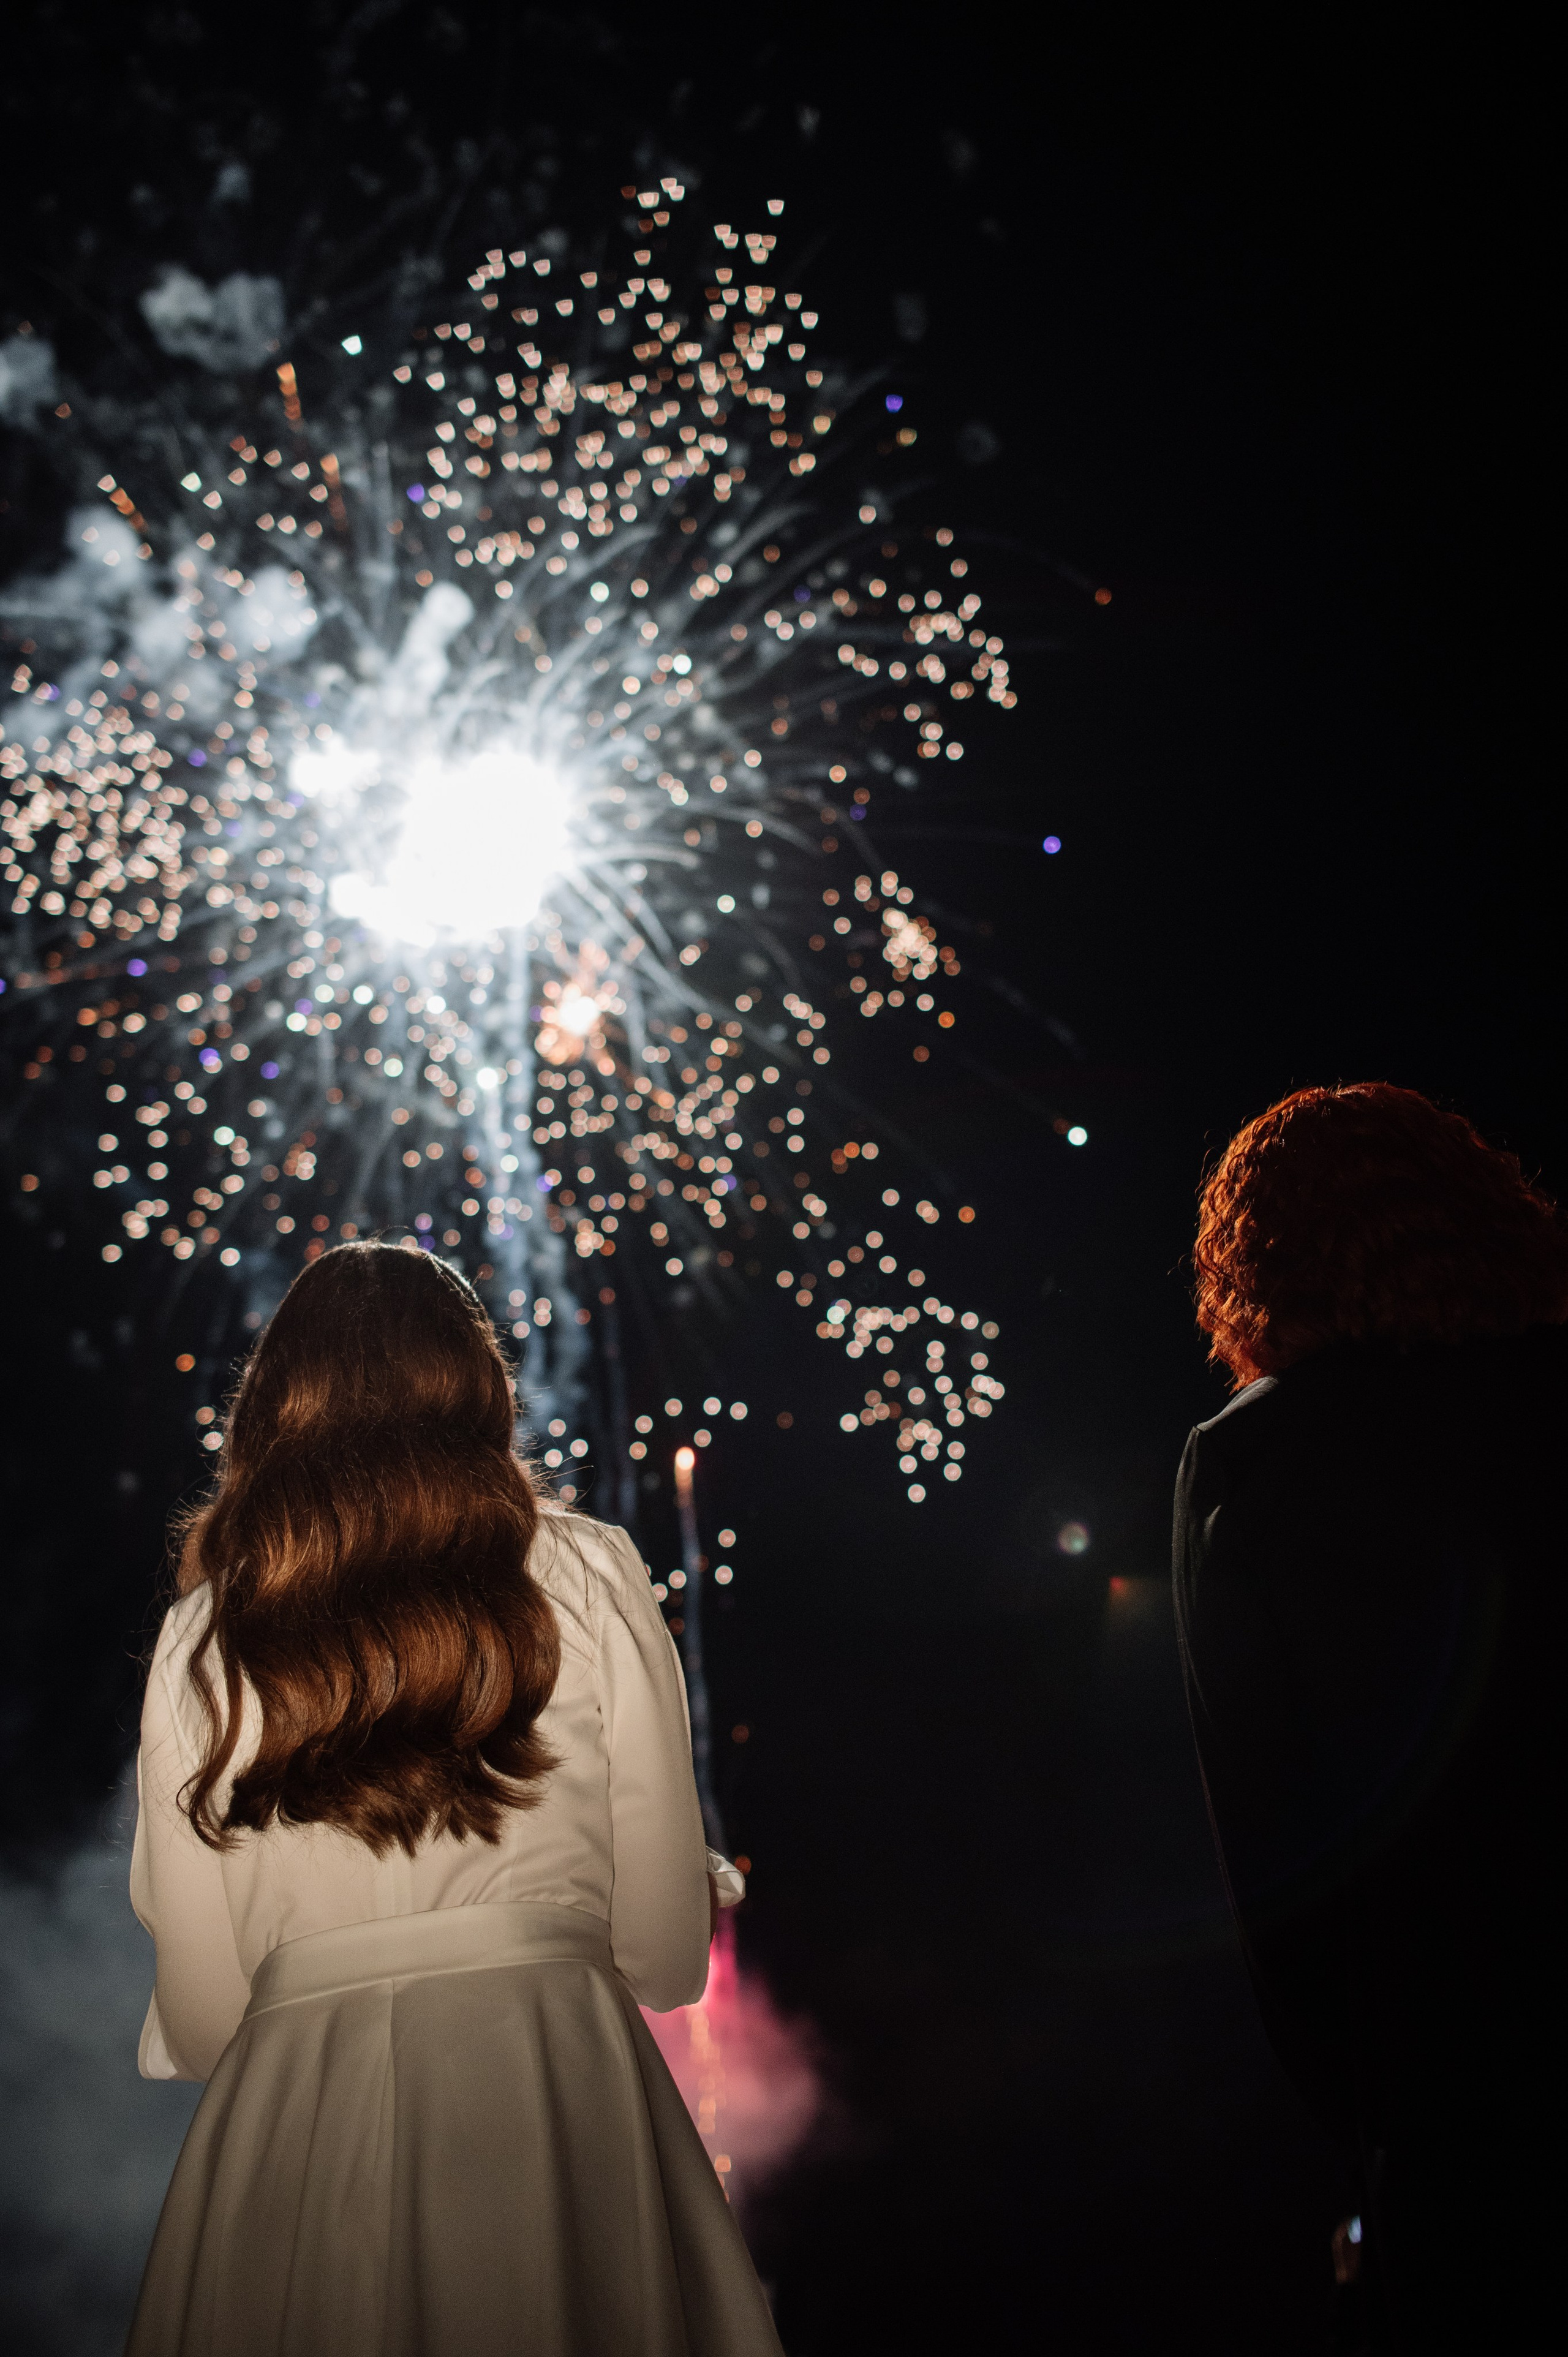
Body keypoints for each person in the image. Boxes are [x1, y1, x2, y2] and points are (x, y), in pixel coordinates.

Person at [126, 1240, 782, 2357]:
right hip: (551, 2086)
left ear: (273, 1404)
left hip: (297, 2122)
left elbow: (201, 2025)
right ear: (479, 1386)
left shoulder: (202, 1635)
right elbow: (669, 1959)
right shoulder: (590, 1571)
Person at [1172, 1084, 1567, 2353]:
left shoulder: (1253, 1467)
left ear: (1251, 1265)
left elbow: (1275, 1849)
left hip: (1461, 2076)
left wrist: (1376, 2127)